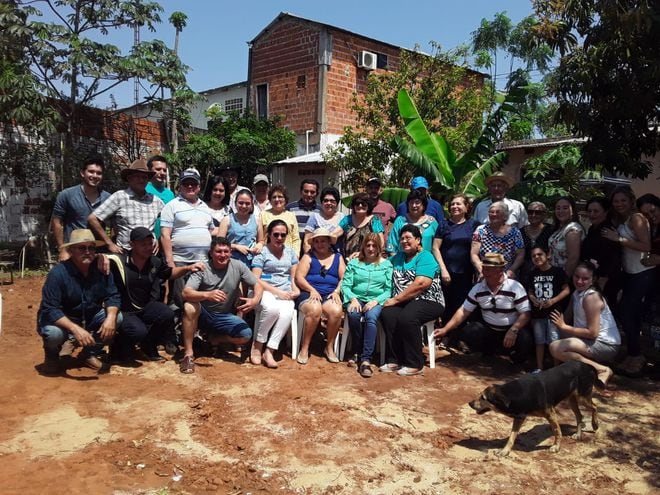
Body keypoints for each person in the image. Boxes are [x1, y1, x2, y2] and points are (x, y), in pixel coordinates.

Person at [106, 227, 205, 362]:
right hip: (124, 310)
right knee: (137, 331)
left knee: (166, 314)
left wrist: (187, 268)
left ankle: (148, 346)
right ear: (132, 245)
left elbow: (170, 273)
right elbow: (96, 257)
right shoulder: (118, 261)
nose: (148, 248)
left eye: (150, 243)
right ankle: (117, 348)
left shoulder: (155, 262)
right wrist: (100, 257)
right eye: (143, 244)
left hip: (145, 307)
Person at [37, 229, 121, 374]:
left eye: (91, 248)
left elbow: (112, 295)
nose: (87, 251)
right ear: (71, 251)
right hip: (62, 320)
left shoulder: (102, 268)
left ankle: (89, 353)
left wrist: (111, 317)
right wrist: (75, 329)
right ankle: (51, 357)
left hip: (89, 316)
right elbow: (50, 309)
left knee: (117, 318)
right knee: (53, 334)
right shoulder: (58, 274)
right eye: (82, 248)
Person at [179, 237, 263, 374]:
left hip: (223, 315)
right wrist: (207, 295)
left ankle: (213, 339)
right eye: (218, 251)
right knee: (189, 306)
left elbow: (257, 284)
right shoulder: (202, 267)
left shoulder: (238, 266)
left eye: (226, 251)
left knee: (245, 335)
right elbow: (186, 293)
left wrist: (254, 300)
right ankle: (188, 355)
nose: (223, 255)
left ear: (230, 252)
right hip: (202, 313)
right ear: (211, 253)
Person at [433, 252, 533, 365]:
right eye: (484, 268)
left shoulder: (515, 287)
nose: (484, 272)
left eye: (489, 269)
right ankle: (487, 353)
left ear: (500, 270)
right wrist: (445, 329)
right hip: (490, 330)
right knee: (470, 332)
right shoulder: (478, 288)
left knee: (525, 338)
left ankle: (515, 361)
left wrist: (514, 329)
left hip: (510, 330)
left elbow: (525, 313)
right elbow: (463, 311)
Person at [601, 186, 654, 376]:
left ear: (631, 201)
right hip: (629, 274)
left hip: (643, 273)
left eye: (623, 200)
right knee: (627, 314)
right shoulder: (620, 220)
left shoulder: (637, 218)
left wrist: (619, 239)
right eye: (616, 201)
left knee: (627, 312)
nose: (619, 204)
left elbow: (645, 245)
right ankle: (632, 354)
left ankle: (637, 355)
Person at [380, 224, 444, 376]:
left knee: (408, 317)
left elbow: (421, 284)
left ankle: (415, 363)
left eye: (408, 238)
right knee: (388, 314)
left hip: (429, 300)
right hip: (404, 301)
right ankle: (395, 359)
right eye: (402, 238)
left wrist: (395, 300)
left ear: (418, 240)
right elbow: (379, 265)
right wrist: (362, 256)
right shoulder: (397, 258)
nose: (404, 241)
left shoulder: (426, 256)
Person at [549, 260, 619, 387]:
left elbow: (592, 333)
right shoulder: (576, 293)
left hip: (605, 343)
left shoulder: (591, 297)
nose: (580, 281)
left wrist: (564, 327)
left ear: (593, 280)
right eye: (577, 277)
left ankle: (600, 368)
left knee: (556, 347)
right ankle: (558, 372)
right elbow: (566, 317)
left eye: (585, 278)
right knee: (554, 334)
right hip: (586, 339)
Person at [160, 168, 216, 309]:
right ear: (180, 186)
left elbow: (211, 231)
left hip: (202, 262)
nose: (190, 186)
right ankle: (178, 329)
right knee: (180, 300)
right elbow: (165, 235)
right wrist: (169, 261)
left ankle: (198, 328)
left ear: (199, 186)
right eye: (186, 183)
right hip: (180, 262)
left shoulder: (205, 207)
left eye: (193, 183)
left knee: (199, 299)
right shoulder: (171, 206)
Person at [250, 220, 299, 368]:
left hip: (284, 291)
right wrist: (278, 292)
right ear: (269, 235)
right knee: (272, 309)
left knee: (287, 312)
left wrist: (295, 289)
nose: (279, 238)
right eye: (276, 234)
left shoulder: (290, 252)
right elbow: (255, 279)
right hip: (263, 290)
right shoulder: (262, 253)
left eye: (283, 235)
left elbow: (292, 277)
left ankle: (270, 350)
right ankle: (257, 346)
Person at [88, 159, 165, 254]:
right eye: (137, 176)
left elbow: (170, 221)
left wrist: (159, 239)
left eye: (144, 177)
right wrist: (109, 244)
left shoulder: (155, 200)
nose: (141, 180)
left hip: (149, 253)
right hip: (126, 253)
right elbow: (93, 219)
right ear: (129, 178)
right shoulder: (119, 197)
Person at [342, 233, 393, 378]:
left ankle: (366, 359)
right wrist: (352, 299)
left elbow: (388, 289)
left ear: (379, 248)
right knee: (353, 315)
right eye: (368, 245)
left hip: (375, 300)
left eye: (374, 246)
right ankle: (356, 350)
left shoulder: (386, 264)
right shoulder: (354, 263)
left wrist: (376, 301)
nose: (370, 249)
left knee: (371, 318)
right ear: (363, 247)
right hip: (356, 298)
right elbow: (346, 285)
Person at [294, 228, 346, 365]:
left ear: (329, 242)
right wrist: (311, 290)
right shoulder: (308, 257)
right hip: (308, 292)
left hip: (330, 293)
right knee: (314, 309)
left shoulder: (338, 257)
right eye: (316, 241)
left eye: (323, 241)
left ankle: (329, 347)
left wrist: (336, 291)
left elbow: (344, 277)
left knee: (336, 311)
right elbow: (299, 277)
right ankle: (305, 348)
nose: (319, 244)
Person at [52, 154, 111, 261]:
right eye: (91, 171)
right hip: (73, 252)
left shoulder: (108, 198)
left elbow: (114, 225)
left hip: (98, 252)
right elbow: (57, 222)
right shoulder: (67, 195)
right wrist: (63, 250)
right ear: (82, 173)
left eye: (99, 173)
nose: (95, 175)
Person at [432, 193, 479, 321]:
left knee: (463, 304)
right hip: (447, 272)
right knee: (447, 304)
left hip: (466, 273)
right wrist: (443, 269)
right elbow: (435, 247)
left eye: (458, 203)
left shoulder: (474, 225)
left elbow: (478, 248)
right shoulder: (443, 224)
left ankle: (459, 336)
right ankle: (446, 335)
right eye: (452, 204)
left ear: (466, 207)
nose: (455, 206)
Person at [526, 246, 570, 373]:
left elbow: (566, 290)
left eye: (540, 254)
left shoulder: (558, 272)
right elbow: (530, 291)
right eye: (533, 256)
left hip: (554, 313)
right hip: (538, 313)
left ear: (548, 255)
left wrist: (552, 301)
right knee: (539, 341)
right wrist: (533, 299)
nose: (537, 257)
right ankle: (539, 368)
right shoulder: (532, 273)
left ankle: (556, 369)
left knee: (554, 340)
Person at [581, 197, 622, 306]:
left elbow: (613, 257)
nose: (592, 214)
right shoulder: (592, 228)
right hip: (592, 277)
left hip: (605, 281)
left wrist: (603, 278)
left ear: (606, 212)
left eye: (596, 211)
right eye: (589, 211)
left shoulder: (608, 231)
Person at [471, 201, 524, 279]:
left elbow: (520, 254)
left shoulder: (515, 232)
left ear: (505, 216)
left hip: (507, 275)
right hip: (485, 274)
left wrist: (511, 270)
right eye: (491, 212)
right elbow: (474, 254)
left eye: (497, 212)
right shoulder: (480, 230)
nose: (494, 214)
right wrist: (481, 270)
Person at [386, 189, 438, 256]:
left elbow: (438, 246)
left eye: (417, 202)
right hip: (402, 264)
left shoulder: (432, 222)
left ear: (424, 204)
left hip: (426, 263)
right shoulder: (400, 221)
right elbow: (391, 246)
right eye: (411, 202)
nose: (414, 205)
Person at [218, 188, 260, 267]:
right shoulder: (227, 220)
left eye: (247, 203)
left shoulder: (257, 220)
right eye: (241, 203)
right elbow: (219, 243)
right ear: (235, 203)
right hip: (232, 262)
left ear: (252, 205)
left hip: (252, 263)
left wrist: (259, 246)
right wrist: (236, 247)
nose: (244, 206)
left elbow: (261, 240)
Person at [338, 192, 384, 259]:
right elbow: (336, 233)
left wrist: (362, 253)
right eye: (357, 203)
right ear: (353, 206)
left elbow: (381, 242)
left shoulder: (374, 220)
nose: (360, 205)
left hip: (368, 261)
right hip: (348, 261)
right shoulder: (347, 219)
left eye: (363, 204)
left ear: (368, 206)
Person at [258, 185, 301, 255]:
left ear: (285, 199)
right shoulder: (263, 214)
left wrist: (295, 255)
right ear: (270, 200)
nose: (277, 199)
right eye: (274, 197)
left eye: (280, 197)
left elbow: (296, 239)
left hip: (288, 256)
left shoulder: (291, 215)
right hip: (268, 255)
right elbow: (260, 239)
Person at [548, 197, 584, 277]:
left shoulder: (573, 229)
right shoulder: (560, 228)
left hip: (565, 276)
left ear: (572, 211)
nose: (561, 211)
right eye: (558, 208)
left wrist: (564, 280)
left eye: (565, 208)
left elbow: (573, 258)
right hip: (555, 274)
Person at [303, 186, 345, 253]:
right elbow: (306, 241)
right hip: (317, 257)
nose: (329, 203)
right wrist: (309, 258)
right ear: (321, 202)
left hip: (337, 257)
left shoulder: (343, 218)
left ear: (337, 203)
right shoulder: (314, 217)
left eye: (332, 201)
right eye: (326, 200)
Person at [519, 201, 553, 281]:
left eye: (538, 212)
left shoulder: (551, 230)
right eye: (530, 212)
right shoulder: (520, 232)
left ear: (544, 214)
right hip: (525, 275)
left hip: (547, 274)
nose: (533, 215)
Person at [145, 155, 175, 241]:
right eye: (158, 169)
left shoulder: (170, 194)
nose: (162, 173)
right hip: (148, 241)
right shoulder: (143, 189)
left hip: (167, 241)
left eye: (164, 170)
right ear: (149, 171)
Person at [286, 178, 320, 251]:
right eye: (306, 191)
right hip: (294, 250)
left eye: (312, 192)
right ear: (301, 191)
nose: (309, 194)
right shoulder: (290, 208)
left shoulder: (320, 211)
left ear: (317, 194)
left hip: (314, 250)